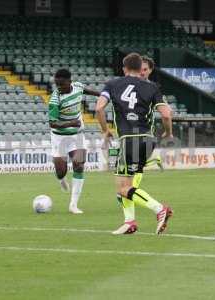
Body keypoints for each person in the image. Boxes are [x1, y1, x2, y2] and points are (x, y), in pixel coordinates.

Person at [95, 53, 173, 234]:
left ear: (124, 69)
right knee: (127, 185)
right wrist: (168, 133)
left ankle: (159, 209)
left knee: (122, 188)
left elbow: (99, 107)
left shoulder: (113, 84)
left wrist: (105, 130)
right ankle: (130, 222)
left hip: (129, 140)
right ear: (140, 69)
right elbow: (167, 114)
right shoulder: (152, 87)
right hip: (148, 140)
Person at [49, 69, 100, 214]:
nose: (59, 87)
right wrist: (71, 122)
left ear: (69, 81)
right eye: (57, 85)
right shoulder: (55, 99)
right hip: (59, 137)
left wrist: (103, 95)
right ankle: (61, 180)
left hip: (77, 134)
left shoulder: (77, 86)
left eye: (62, 84)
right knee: (61, 170)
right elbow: (52, 123)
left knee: (79, 164)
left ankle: (73, 205)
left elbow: (87, 91)